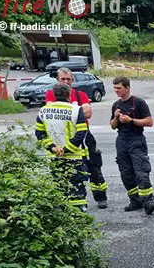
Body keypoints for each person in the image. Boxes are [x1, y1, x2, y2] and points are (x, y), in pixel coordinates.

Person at [45, 67, 108, 209]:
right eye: (63, 79)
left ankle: (100, 197)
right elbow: (51, 111)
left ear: (72, 80)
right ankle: (67, 201)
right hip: (63, 138)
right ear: (57, 80)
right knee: (66, 171)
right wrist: (75, 109)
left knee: (94, 166)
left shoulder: (81, 94)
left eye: (68, 79)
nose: (66, 82)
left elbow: (88, 113)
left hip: (84, 135)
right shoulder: (50, 94)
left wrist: (67, 110)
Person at [35, 83, 89, 210]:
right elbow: (81, 132)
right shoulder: (76, 109)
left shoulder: (43, 111)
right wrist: (66, 149)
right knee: (77, 187)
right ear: (69, 94)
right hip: (74, 157)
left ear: (54, 95)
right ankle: (78, 213)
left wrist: (53, 148)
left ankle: (63, 214)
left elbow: (40, 134)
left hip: (55, 157)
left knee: (59, 186)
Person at [110, 76, 154, 214]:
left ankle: (148, 201)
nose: (116, 90)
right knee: (125, 173)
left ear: (127, 88)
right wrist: (116, 117)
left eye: (119, 88)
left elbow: (149, 122)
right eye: (115, 88)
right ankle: (135, 200)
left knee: (141, 171)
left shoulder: (139, 103)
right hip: (121, 140)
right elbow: (112, 126)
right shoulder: (116, 105)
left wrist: (131, 120)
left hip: (136, 139)